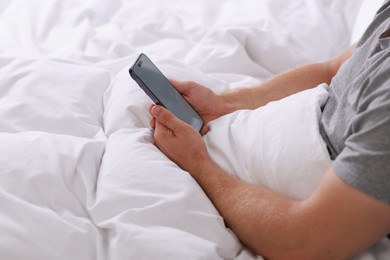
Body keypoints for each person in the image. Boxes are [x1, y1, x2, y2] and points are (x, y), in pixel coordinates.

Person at [149, 1, 390, 259]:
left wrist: (197, 165)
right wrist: (225, 102)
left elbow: (303, 242)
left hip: (258, 198)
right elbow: (332, 69)